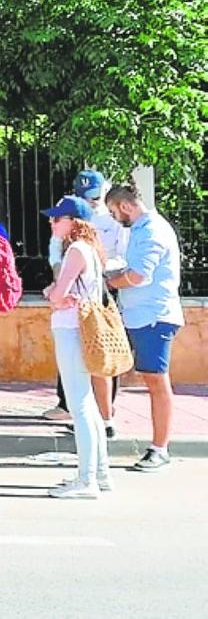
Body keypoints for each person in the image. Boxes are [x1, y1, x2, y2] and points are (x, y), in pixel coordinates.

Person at [104, 183, 183, 472]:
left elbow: (138, 276)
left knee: (156, 380)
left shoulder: (152, 231)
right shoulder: (140, 229)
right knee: (143, 376)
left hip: (153, 316)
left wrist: (109, 282)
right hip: (139, 315)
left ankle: (160, 448)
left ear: (125, 206)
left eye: (113, 212)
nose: (114, 218)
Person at [44, 170, 128, 432]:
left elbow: (123, 256)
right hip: (86, 290)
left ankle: (102, 418)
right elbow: (54, 252)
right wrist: (61, 274)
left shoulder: (105, 226)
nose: (52, 223)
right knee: (86, 365)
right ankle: (95, 418)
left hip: (96, 296)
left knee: (96, 362)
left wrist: (54, 291)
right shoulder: (79, 242)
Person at [40, 195, 111, 497]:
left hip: (70, 329)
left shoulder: (76, 251)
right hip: (80, 328)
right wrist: (55, 293)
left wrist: (50, 292)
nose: (52, 222)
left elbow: (58, 294)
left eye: (58, 218)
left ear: (74, 222)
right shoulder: (90, 250)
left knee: (79, 405)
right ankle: (100, 473)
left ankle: (86, 480)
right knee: (89, 404)